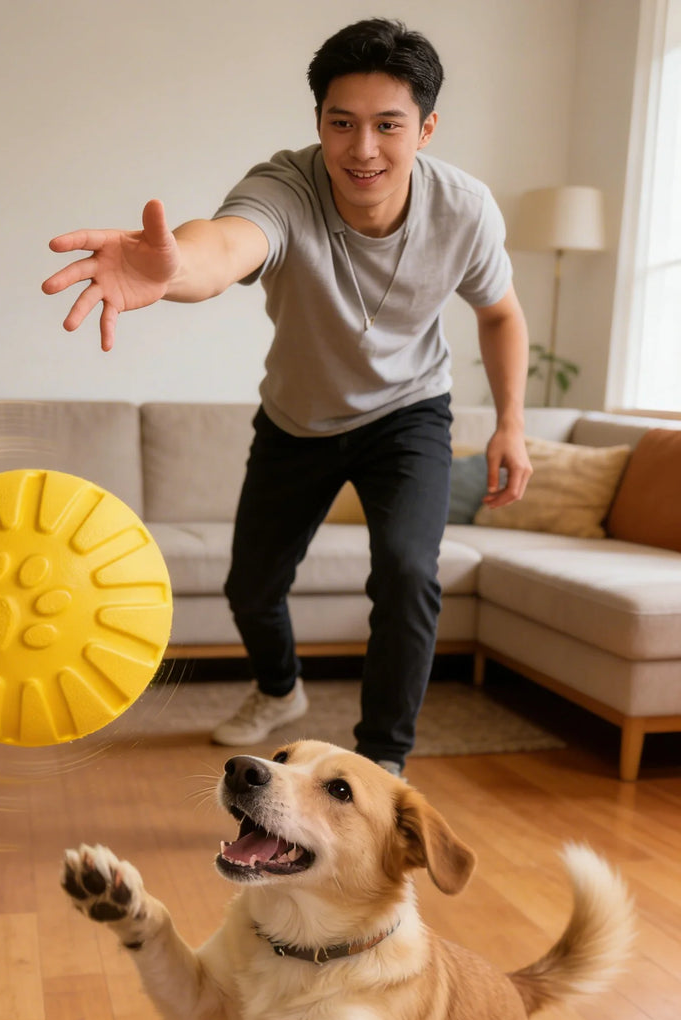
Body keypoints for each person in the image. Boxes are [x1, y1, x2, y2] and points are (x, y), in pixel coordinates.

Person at [42, 17, 531, 774]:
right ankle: (279, 690)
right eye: (342, 124)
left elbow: (499, 314)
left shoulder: (464, 210)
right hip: (298, 421)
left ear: (426, 128)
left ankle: (381, 762)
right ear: (318, 124)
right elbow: (226, 246)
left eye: (387, 125)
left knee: (407, 570)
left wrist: (511, 425)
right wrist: (170, 271)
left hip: (410, 413)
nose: (362, 149)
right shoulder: (285, 186)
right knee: (251, 586)